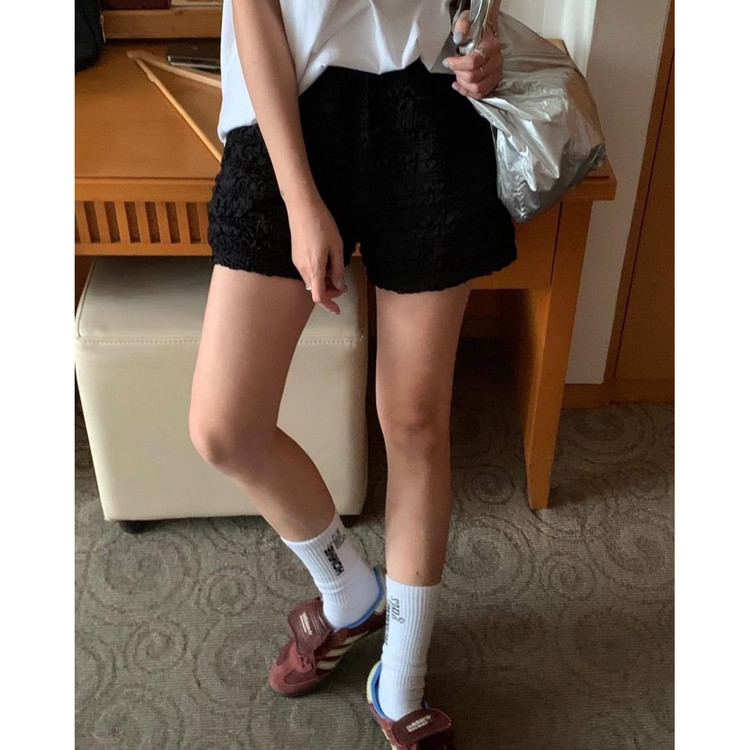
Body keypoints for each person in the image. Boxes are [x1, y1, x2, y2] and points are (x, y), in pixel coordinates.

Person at [189, 1, 514, 747]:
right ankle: (347, 589)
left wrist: (487, 42)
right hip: (290, 112)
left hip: (428, 107)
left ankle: (403, 672)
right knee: (224, 427)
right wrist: (302, 201)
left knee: (415, 422)